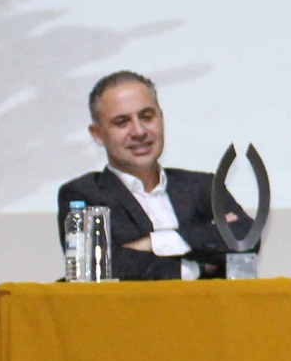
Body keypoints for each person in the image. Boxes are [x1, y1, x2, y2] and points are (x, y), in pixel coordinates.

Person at [56, 71, 250, 281]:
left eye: (147, 117)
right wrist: (199, 267)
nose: (139, 131)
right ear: (97, 134)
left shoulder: (202, 186)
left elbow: (247, 237)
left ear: (161, 118)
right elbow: (100, 267)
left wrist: (154, 242)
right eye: (122, 122)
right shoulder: (84, 194)